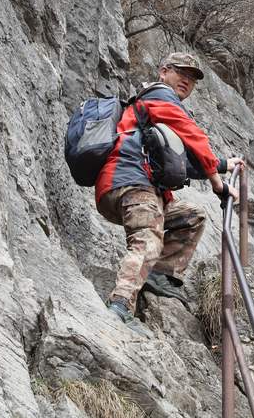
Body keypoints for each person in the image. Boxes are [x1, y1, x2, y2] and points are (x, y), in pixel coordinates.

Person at [95, 52, 242, 335]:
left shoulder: (156, 109)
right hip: (131, 182)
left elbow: (182, 162)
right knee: (147, 241)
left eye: (192, 78)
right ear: (164, 72)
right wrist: (217, 183)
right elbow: (193, 136)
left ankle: (158, 276)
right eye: (180, 72)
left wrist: (222, 165)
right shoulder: (160, 95)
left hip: (131, 187)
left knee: (191, 217)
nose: (186, 80)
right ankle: (120, 305)